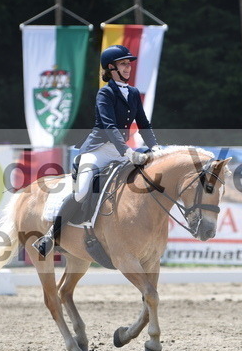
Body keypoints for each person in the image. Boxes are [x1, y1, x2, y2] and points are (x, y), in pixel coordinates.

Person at [33, 44, 160, 256]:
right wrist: (128, 152)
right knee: (82, 191)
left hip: (122, 152)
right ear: (111, 68)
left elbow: (144, 124)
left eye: (129, 64)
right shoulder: (105, 93)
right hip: (98, 150)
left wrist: (155, 148)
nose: (128, 68)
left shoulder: (134, 92)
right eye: (123, 64)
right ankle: (51, 236)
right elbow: (109, 127)